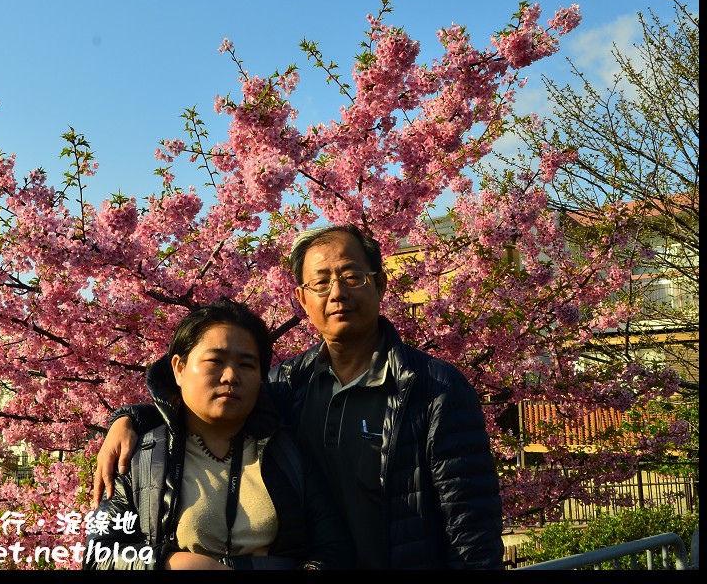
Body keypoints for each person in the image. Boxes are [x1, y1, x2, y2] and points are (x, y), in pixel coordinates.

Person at [93, 224, 505, 569]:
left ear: (380, 284)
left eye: (352, 277)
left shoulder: (434, 389)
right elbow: (211, 407)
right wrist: (130, 418)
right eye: (320, 282)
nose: (337, 293)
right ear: (302, 298)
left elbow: (471, 533)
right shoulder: (287, 384)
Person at [84, 297, 354, 571]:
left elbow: (333, 549)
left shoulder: (286, 452)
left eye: (247, 365)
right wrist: (170, 562)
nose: (230, 376)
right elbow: (98, 556)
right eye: (215, 360)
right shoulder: (139, 456)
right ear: (179, 368)